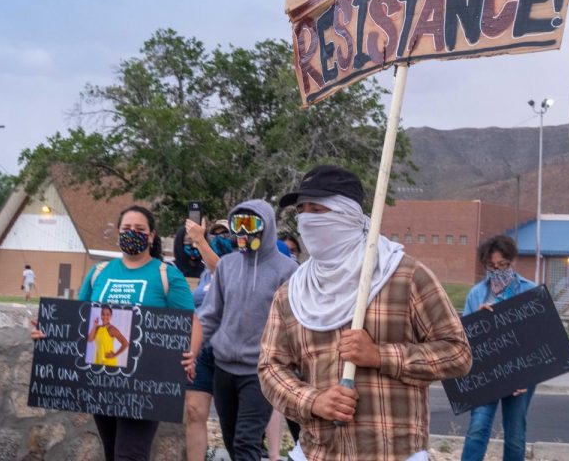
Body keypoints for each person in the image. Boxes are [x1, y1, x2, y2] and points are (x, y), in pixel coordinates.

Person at [258, 164, 472, 461]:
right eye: (301, 210)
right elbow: (270, 368)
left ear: (346, 214)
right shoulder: (292, 293)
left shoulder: (405, 277)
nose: (306, 219)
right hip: (317, 453)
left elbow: (458, 354)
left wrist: (381, 355)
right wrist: (313, 400)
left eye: (317, 209)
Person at [32, 204, 201, 461]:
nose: (132, 233)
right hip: (102, 379)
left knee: (129, 454)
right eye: (126, 229)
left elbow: (192, 321)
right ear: (118, 233)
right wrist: (48, 332)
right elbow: (77, 319)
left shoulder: (166, 274)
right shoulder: (99, 272)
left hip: (147, 382)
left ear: (152, 236)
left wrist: (192, 353)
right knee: (112, 452)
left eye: (140, 229)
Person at [194, 200, 298, 461]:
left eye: (251, 223)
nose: (243, 231)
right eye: (237, 223)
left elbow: (295, 324)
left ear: (268, 226)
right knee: (231, 441)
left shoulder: (287, 270)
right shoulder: (227, 265)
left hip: (261, 372)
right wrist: (191, 351)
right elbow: (208, 315)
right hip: (224, 369)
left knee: (246, 442)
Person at [461, 235, 537, 461]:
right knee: (478, 427)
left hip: (521, 373)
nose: (497, 270)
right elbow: (464, 337)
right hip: (488, 373)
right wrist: (478, 319)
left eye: (502, 265)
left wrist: (527, 374)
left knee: (515, 434)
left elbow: (540, 338)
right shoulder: (476, 294)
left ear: (512, 261)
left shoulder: (530, 291)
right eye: (491, 266)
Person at [183, 218, 227, 461]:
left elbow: (223, 272)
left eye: (225, 233)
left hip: (230, 352)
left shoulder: (237, 266)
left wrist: (199, 239)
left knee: (231, 420)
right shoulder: (204, 273)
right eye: (215, 233)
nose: (219, 237)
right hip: (201, 352)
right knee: (194, 411)